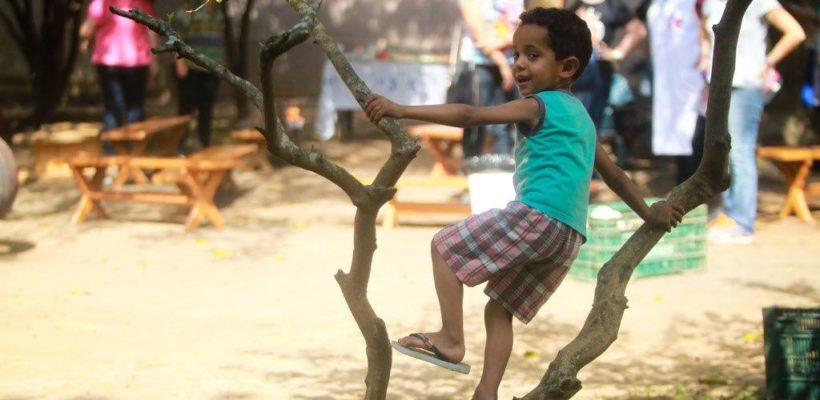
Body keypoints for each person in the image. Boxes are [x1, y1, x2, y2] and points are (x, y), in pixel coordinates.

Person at [366, 8, 684, 399]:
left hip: (537, 217)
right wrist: (652, 212)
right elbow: (615, 175)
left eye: (532, 55)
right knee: (498, 309)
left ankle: (451, 338)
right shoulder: (582, 116)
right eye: (516, 54)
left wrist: (401, 109)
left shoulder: (539, 105)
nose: (519, 65)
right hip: (568, 237)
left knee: (443, 247)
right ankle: (487, 391)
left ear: (567, 67)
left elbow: (469, 114)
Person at [701, 0, 805, 244]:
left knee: (740, 152)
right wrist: (705, 59)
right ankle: (728, 215)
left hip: (746, 86)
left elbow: (795, 32)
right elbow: (705, 34)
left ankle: (743, 222)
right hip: (717, 86)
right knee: (723, 152)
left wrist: (767, 64)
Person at [80, 0, 157, 155]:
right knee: (135, 109)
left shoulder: (101, 3)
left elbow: (85, 31)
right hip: (137, 62)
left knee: (113, 109)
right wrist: (155, 62)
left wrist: (89, 41)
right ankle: (134, 153)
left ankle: (111, 156)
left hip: (109, 62)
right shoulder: (141, 3)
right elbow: (152, 32)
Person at [449, 0, 524, 158]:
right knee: (476, 122)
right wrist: (502, 63)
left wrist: (504, 41)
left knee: (508, 123)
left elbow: (524, 29)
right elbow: (477, 31)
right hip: (479, 65)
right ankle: (471, 166)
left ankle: (506, 166)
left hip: (514, 64)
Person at [647, 0, 706, 184]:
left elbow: (707, 30)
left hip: (694, 77)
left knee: (695, 130)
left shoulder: (697, 4)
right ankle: (682, 182)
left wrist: (705, 59)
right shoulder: (658, 5)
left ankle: (696, 184)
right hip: (668, 80)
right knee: (677, 134)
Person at [570, 0, 647, 134]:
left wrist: (617, 52)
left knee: (590, 125)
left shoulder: (612, 5)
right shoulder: (575, 5)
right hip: (574, 76)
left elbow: (638, 30)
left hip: (599, 74)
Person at [172, 0, 225, 153]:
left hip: (212, 68)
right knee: (186, 111)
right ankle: (180, 148)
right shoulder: (189, 9)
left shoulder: (221, 12)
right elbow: (175, 36)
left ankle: (204, 147)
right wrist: (178, 62)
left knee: (207, 110)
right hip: (191, 68)